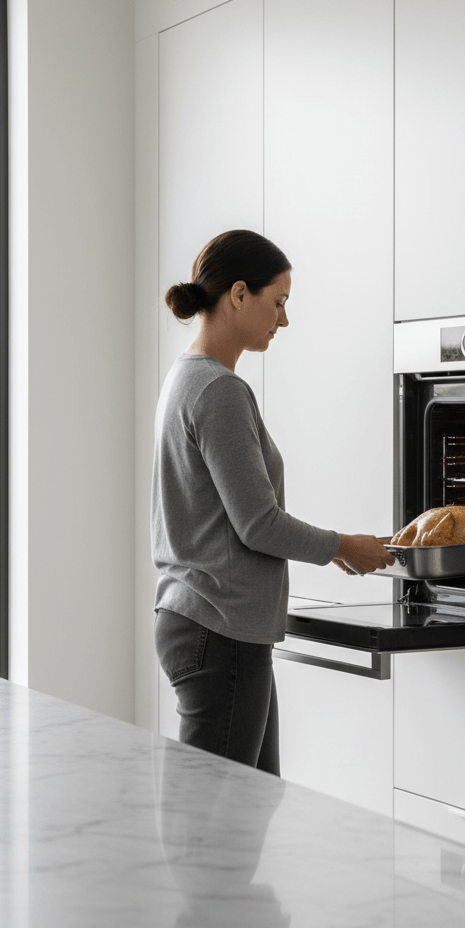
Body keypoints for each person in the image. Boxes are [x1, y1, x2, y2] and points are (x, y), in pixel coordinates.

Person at [152, 229, 394, 776]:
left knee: (246, 810)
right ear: (239, 294)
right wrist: (343, 546)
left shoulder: (185, 377)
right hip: (221, 628)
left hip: (205, 622)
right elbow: (258, 525)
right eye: (278, 302)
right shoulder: (218, 391)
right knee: (214, 821)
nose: (283, 320)